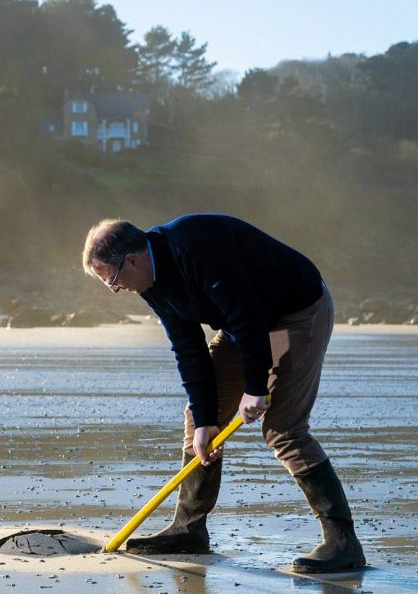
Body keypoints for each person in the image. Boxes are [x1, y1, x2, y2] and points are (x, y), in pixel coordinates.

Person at [81, 213, 364, 574]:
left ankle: (343, 543)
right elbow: (187, 347)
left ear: (132, 259)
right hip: (241, 327)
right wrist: (204, 421)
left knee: (284, 430)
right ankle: (189, 529)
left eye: (113, 280)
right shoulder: (149, 281)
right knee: (202, 421)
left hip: (297, 312)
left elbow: (247, 314)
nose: (115, 289)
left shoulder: (194, 248)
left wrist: (256, 388)